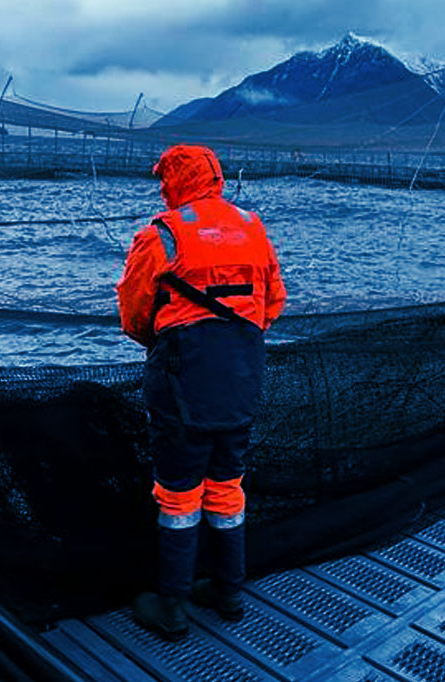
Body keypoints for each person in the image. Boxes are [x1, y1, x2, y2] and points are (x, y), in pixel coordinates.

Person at [119, 144, 286, 641]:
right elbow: (273, 301)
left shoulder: (163, 234)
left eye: (163, 180)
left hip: (182, 381)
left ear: (174, 181)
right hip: (241, 377)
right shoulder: (252, 227)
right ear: (214, 178)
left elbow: (133, 314)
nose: (161, 188)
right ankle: (229, 591)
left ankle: (171, 606)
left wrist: (174, 339)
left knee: (178, 493)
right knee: (227, 484)